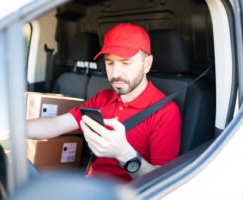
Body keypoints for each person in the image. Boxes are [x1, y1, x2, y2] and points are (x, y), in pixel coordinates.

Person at [27, 23, 181, 182]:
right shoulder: (103, 98)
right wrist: (13, 130)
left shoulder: (165, 111)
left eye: (126, 63)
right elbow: (56, 124)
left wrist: (124, 154)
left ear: (146, 64)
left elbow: (162, 181)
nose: (115, 73)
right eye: (110, 63)